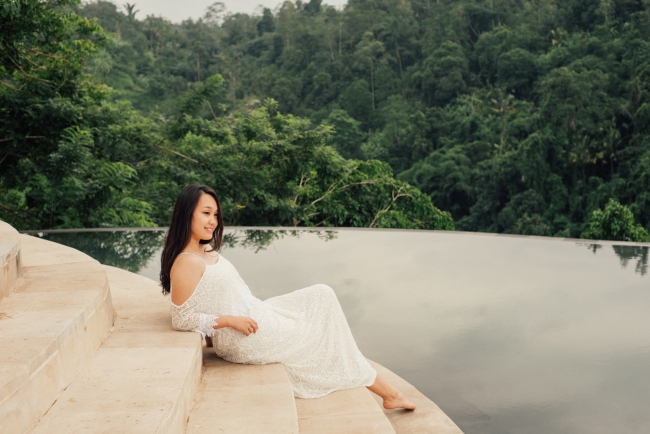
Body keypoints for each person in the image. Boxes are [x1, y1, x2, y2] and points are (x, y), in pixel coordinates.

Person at [160, 184, 415, 409]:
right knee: (320, 337)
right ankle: (389, 394)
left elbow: (213, 294)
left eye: (215, 214)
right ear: (186, 214)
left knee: (321, 296)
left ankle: (383, 389)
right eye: (206, 213)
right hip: (244, 335)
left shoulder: (203, 249)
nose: (213, 221)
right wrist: (228, 321)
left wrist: (220, 327)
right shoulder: (187, 262)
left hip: (256, 314)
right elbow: (181, 319)